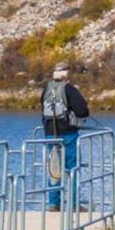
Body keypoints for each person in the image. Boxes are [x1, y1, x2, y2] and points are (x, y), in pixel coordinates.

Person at [40, 62, 89, 208]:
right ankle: (74, 204)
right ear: (66, 75)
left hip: (50, 134)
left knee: (54, 168)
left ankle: (54, 203)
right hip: (68, 134)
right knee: (72, 169)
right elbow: (82, 111)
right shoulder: (69, 89)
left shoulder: (46, 89)